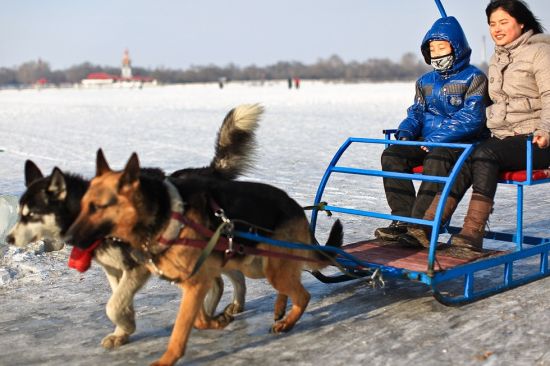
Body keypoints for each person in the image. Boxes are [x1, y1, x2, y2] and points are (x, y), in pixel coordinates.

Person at [416, 0, 550, 254]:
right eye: (492, 23)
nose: (497, 29)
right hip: (505, 137)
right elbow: (496, 100)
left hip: (536, 140)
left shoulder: (541, 53)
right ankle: (427, 224)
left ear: (521, 23)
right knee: (467, 155)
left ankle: (472, 234)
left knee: (484, 153)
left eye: (504, 22)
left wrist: (546, 131)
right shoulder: (498, 57)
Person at [374, 16, 489, 245]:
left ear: (456, 48)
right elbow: (417, 111)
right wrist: (407, 130)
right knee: (392, 154)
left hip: (460, 144)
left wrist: (438, 138)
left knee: (436, 159)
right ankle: (403, 219)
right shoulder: (424, 81)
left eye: (442, 47)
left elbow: (471, 118)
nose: (437, 53)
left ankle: (420, 226)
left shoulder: (474, 78)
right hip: (428, 139)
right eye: (432, 49)